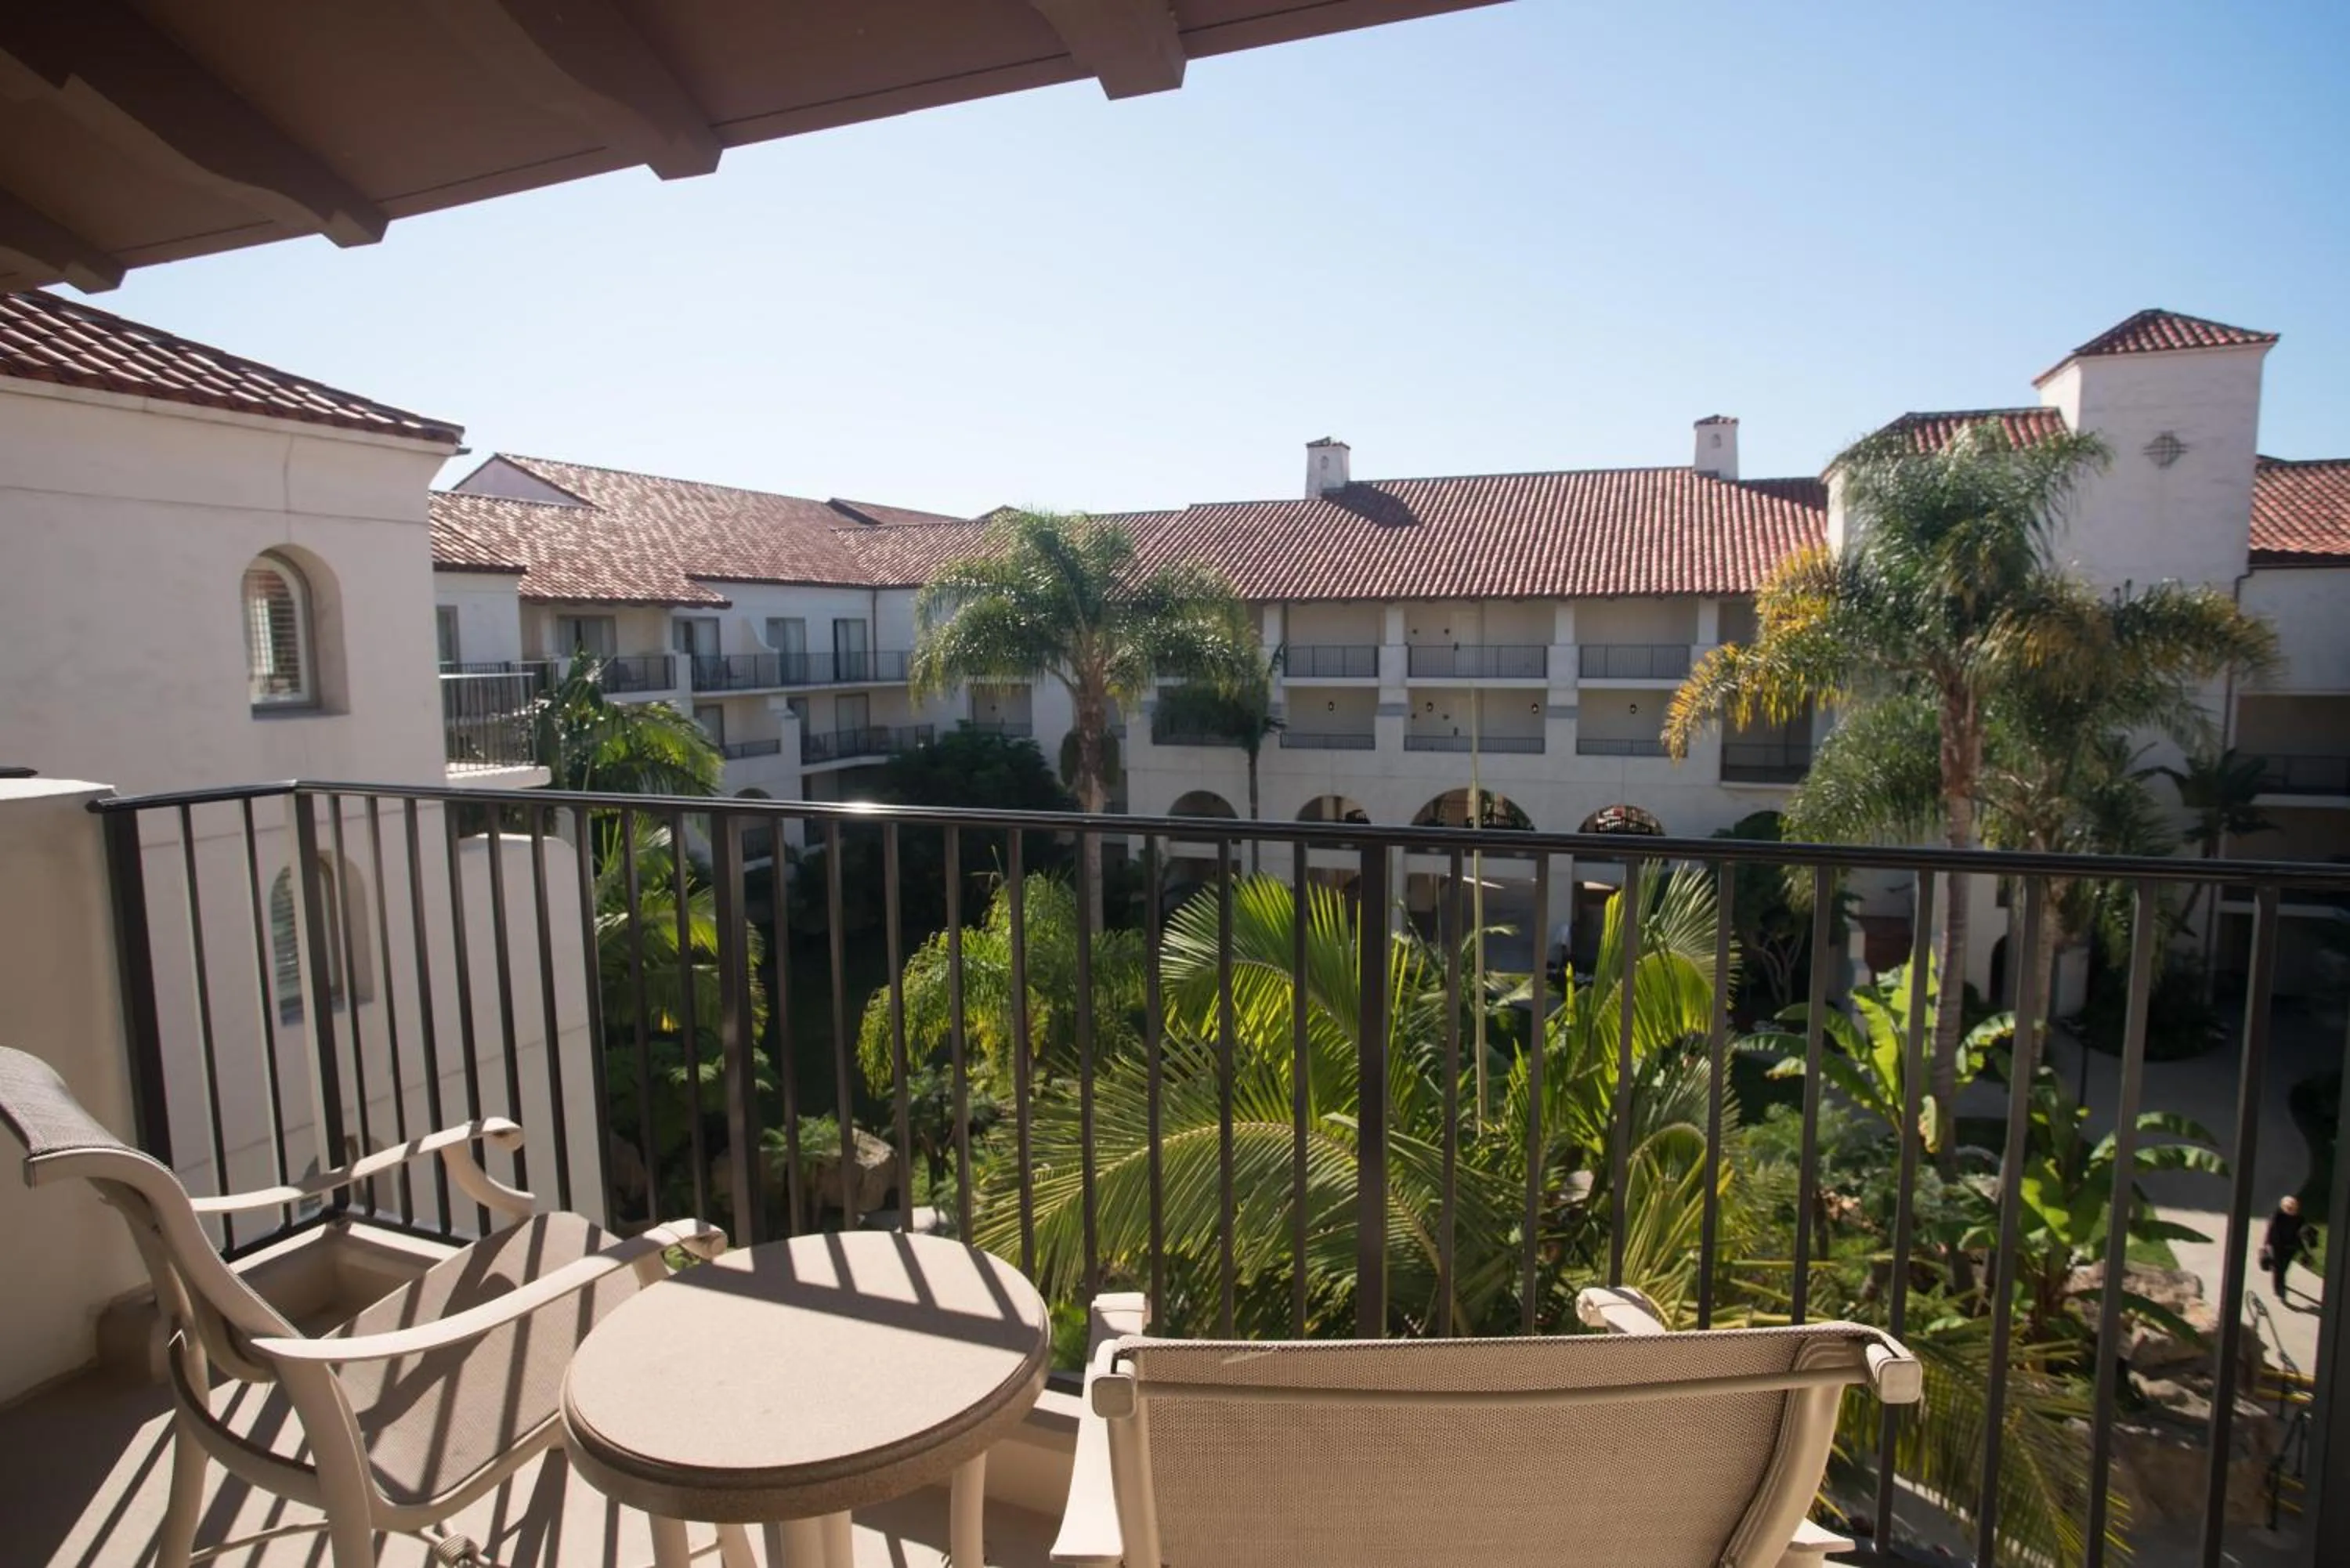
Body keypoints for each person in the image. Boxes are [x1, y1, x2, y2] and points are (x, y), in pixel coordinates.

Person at [2261, 1194, 2306, 1302]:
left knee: (2284, 1267)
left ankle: (2280, 1282)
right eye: (2289, 1208)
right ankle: (2279, 1288)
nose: (2292, 1210)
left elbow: (2301, 1233)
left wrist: (2303, 1248)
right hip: (2277, 1246)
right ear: (2284, 1207)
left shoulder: (2300, 1219)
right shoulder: (2277, 1217)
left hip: (2291, 1247)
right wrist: (2267, 1244)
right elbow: (2271, 1231)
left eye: (2294, 1208)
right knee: (2278, 1267)